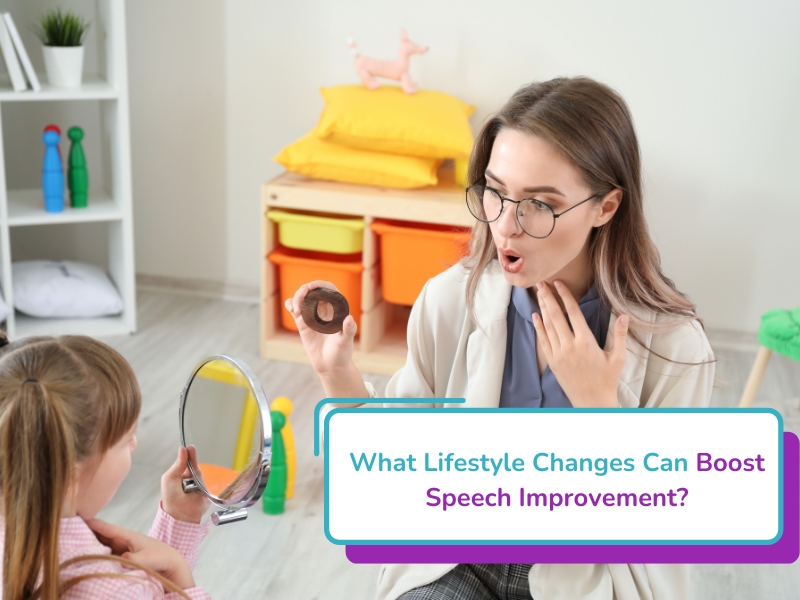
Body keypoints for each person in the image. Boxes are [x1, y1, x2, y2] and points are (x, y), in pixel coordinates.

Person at [285, 77, 715, 600]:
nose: (507, 225)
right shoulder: (449, 301)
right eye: (496, 192)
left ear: (605, 207)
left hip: (586, 579)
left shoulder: (675, 349)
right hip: (457, 558)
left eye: (541, 203)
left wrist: (600, 411)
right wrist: (336, 372)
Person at [0, 334, 212, 600]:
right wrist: (180, 573)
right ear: (68, 477)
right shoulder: (116, 591)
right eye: (126, 439)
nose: (134, 444)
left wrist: (178, 521)